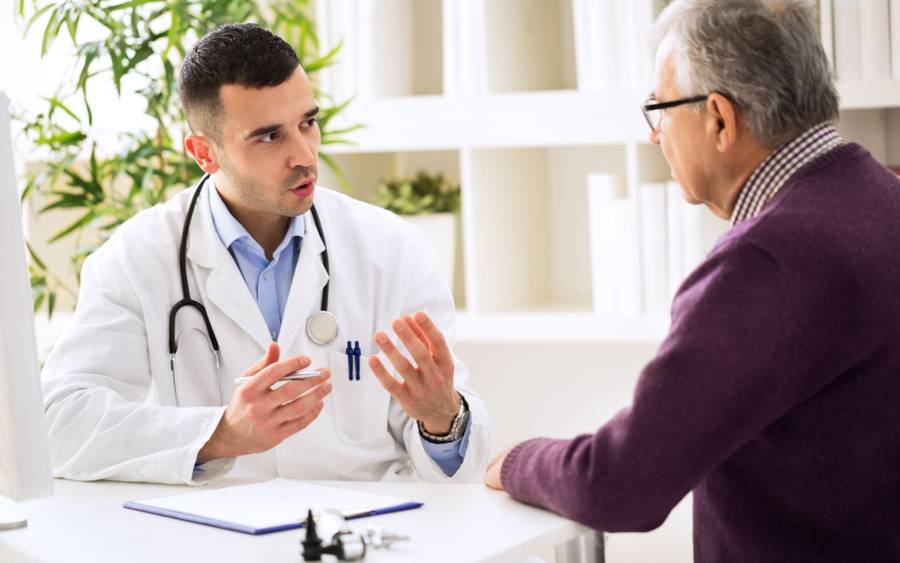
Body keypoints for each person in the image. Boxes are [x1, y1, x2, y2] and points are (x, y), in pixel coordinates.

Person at [485, 1, 900, 561]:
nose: (656, 136)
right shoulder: (882, 194)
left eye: (660, 108)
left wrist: (515, 461)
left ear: (720, 120)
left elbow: (619, 485)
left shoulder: (766, 260)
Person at [41, 23, 490, 485]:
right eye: (269, 137)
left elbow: (459, 462)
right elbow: (58, 424)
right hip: (210, 537)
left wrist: (443, 419)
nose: (304, 155)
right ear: (203, 153)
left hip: (363, 532)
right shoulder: (136, 258)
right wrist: (221, 433)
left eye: (308, 123)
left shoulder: (392, 249)